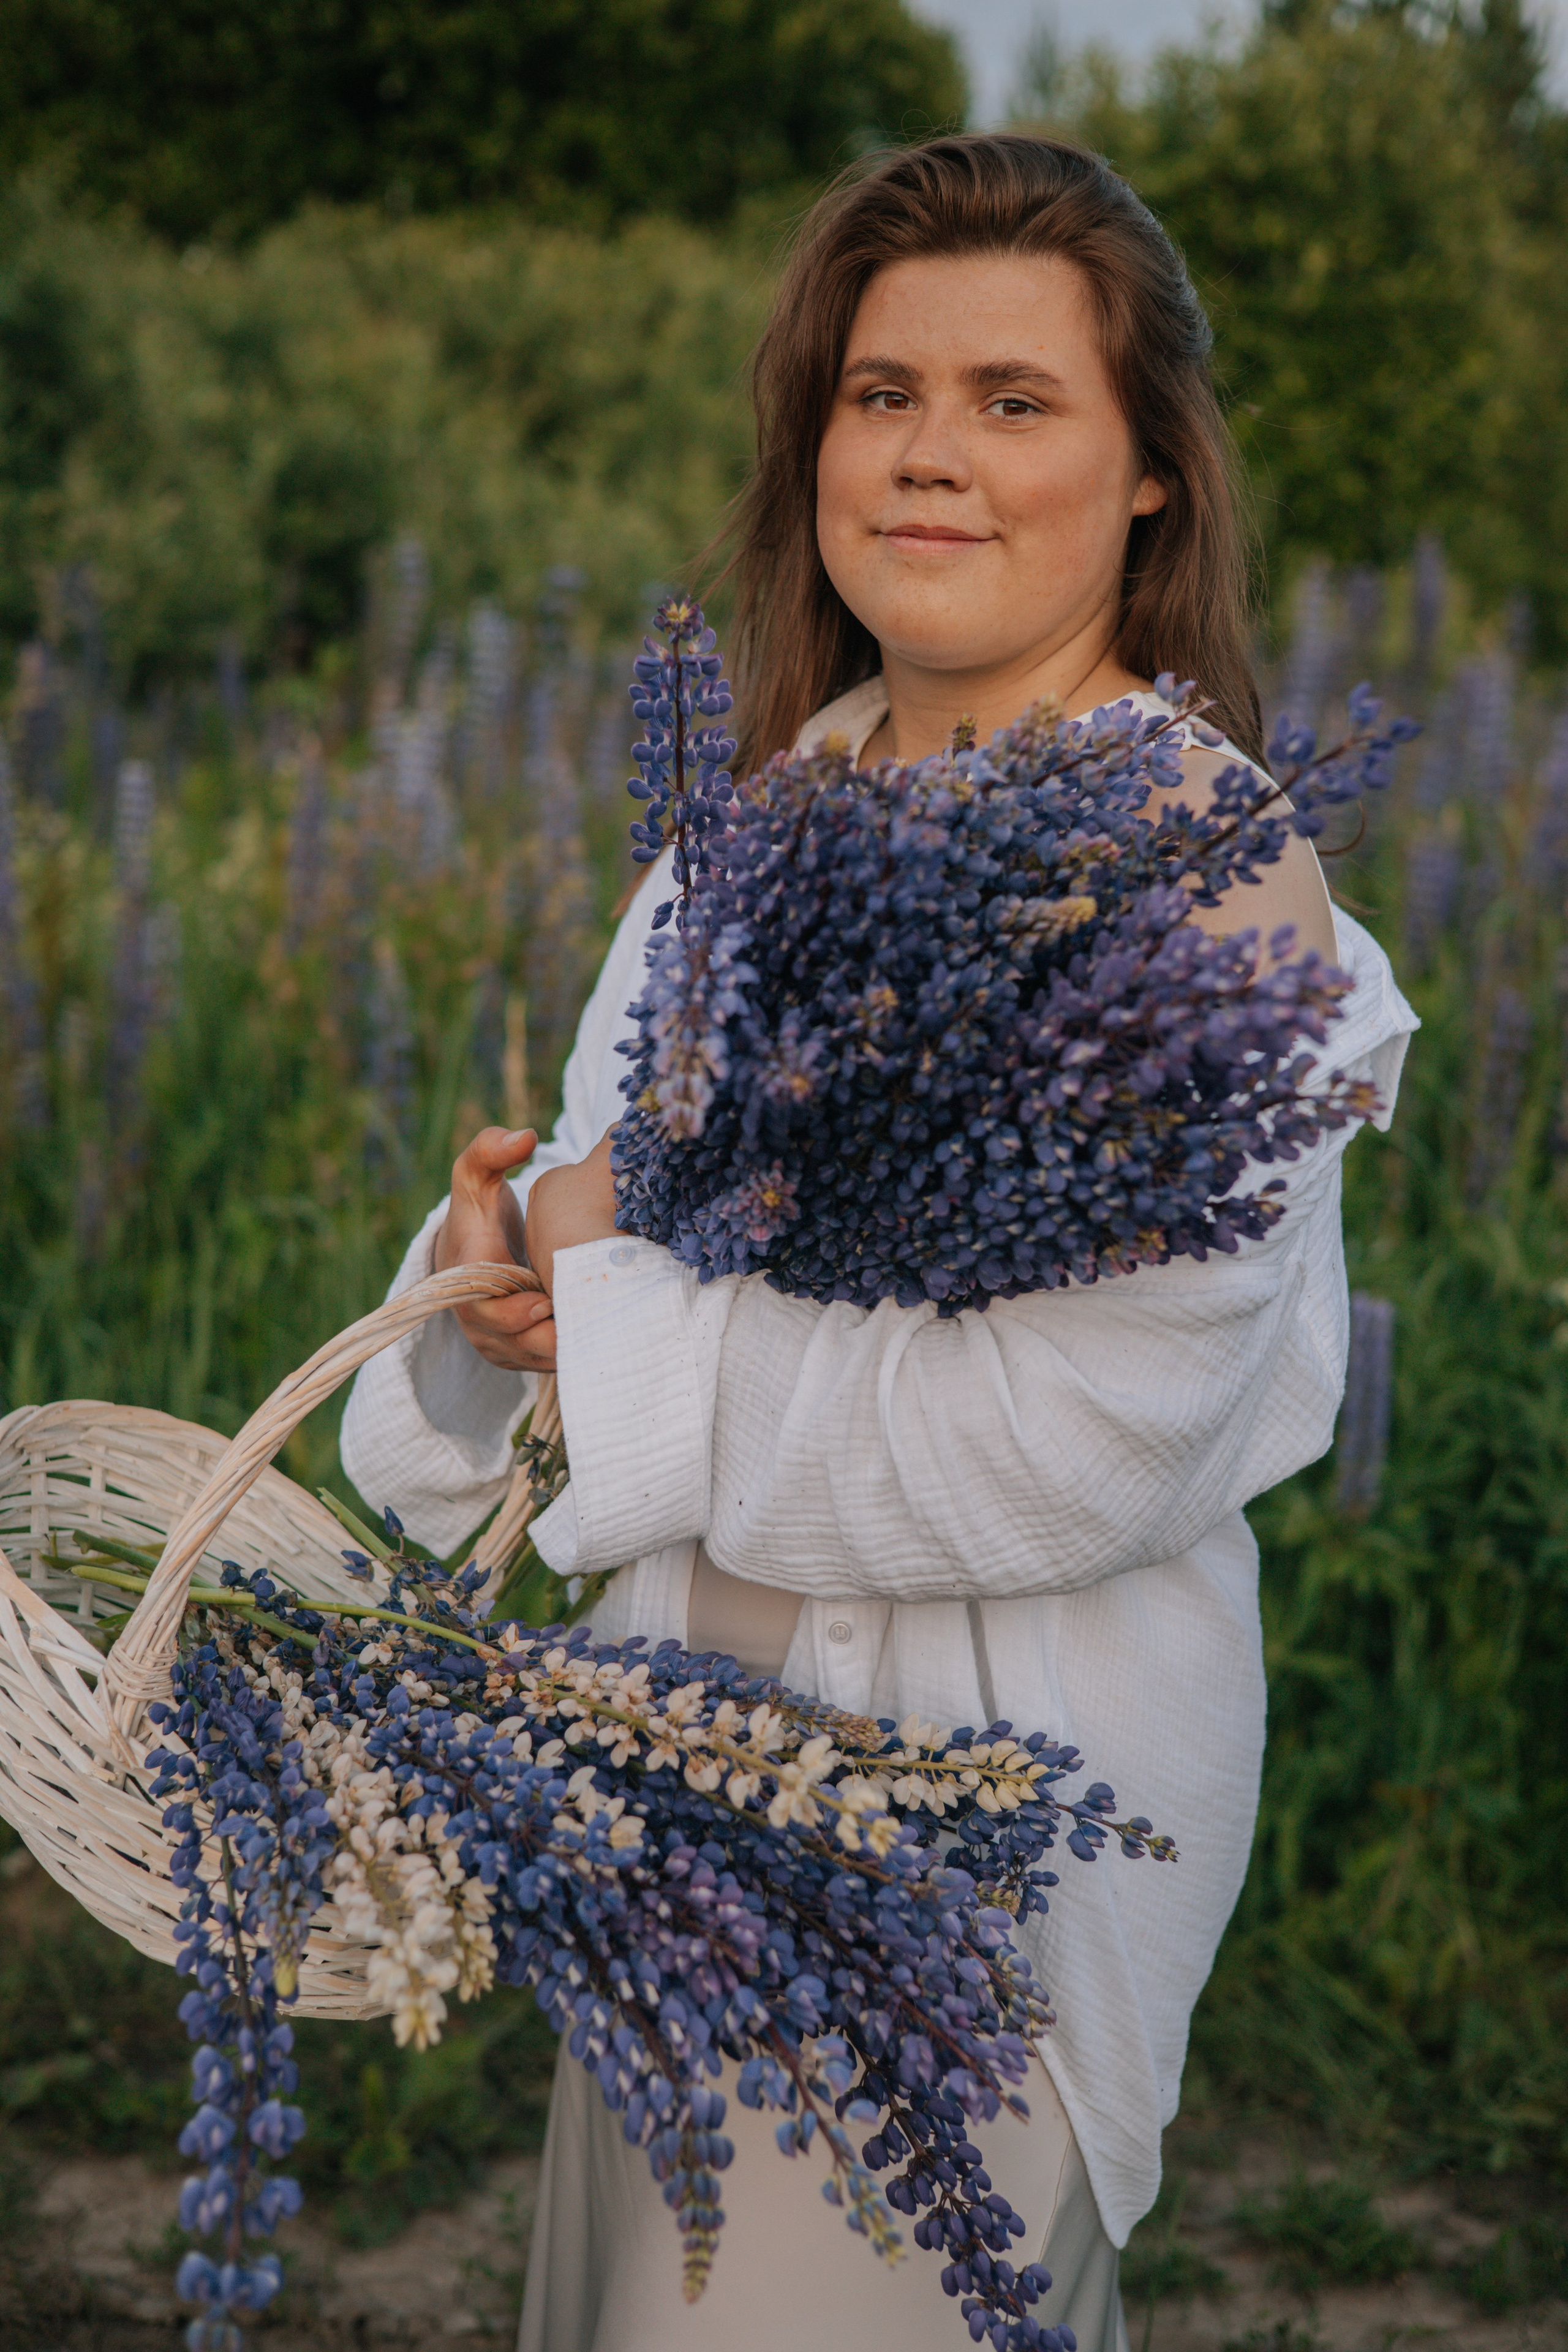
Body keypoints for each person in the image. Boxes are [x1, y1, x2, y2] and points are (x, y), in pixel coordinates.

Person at [341, 133, 1417, 2352]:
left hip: (968, 1894)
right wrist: (488, 1316)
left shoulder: (1213, 903)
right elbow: (585, 1325)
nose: (930, 455)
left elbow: (1086, 1438)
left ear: (1148, 477)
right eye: (879, 392)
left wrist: (621, 1321)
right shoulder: (743, 836)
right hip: (664, 1814)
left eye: (1015, 402)